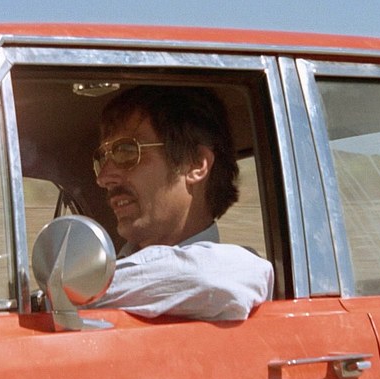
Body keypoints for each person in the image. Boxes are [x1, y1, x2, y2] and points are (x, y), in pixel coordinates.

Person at [83, 85, 274, 321]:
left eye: (126, 151)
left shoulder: (234, 271)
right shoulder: (116, 269)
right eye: (103, 158)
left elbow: (215, 277)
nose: (103, 178)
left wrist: (68, 296)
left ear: (195, 164)